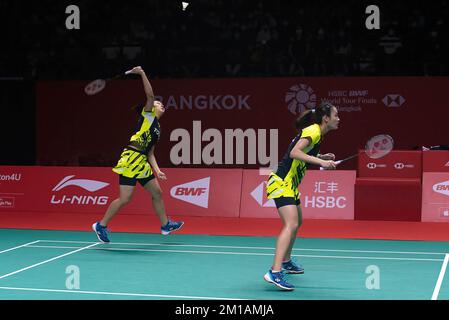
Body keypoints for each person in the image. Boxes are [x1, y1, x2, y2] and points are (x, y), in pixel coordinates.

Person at [92, 66, 184, 243]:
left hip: (142, 161)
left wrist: (157, 170)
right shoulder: (147, 116)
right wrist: (142, 73)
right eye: (158, 103)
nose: (160, 104)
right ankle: (100, 225)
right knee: (125, 199)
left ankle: (165, 225)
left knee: (157, 192)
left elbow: (150, 152)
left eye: (160, 103)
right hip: (131, 158)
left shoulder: (157, 128)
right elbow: (150, 95)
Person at [264, 101, 340, 290]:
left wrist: (321, 157)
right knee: (291, 224)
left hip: (291, 185)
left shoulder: (317, 133)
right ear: (326, 118)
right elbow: (294, 153)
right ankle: (274, 271)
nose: (339, 119)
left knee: (298, 222)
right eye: (336, 115)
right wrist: (320, 163)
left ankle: (287, 261)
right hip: (282, 182)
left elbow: (304, 152)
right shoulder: (313, 131)